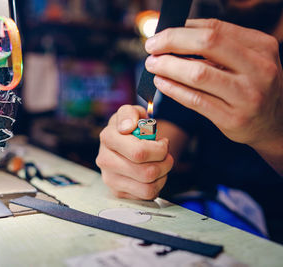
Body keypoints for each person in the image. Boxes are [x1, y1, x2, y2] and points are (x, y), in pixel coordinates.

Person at [96, 0, 283, 243]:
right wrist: (128, 159)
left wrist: (274, 134)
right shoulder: (202, 58)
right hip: (208, 227)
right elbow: (158, 146)